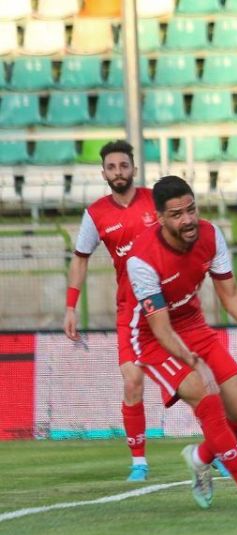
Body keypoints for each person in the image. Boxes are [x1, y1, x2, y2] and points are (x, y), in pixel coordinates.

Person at [125, 176, 237, 512]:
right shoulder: (141, 260)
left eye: (191, 209)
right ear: (160, 219)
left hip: (195, 328)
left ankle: (200, 457)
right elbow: (162, 330)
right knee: (205, 395)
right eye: (177, 214)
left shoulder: (210, 235)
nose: (188, 219)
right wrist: (194, 362)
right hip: (155, 340)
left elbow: (231, 296)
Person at [63, 140, 162, 481]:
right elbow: (80, 259)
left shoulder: (158, 201)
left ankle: (217, 450)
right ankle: (138, 461)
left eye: (123, 165)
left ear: (134, 168)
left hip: (169, 306)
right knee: (132, 381)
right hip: (130, 309)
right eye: (111, 167)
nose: (118, 172)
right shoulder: (95, 214)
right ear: (103, 172)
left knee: (197, 382)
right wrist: (71, 307)